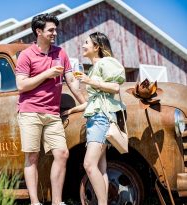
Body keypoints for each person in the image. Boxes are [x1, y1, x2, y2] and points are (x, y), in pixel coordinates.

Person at [15, 13, 85, 205]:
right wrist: (46, 74)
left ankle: (57, 202)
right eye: (51, 30)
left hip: (53, 114)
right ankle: (35, 202)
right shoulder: (26, 55)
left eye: (55, 29)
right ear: (39, 31)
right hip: (30, 111)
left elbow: (71, 80)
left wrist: (84, 103)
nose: (55, 33)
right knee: (32, 156)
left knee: (62, 154)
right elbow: (21, 85)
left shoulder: (60, 53)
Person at [62, 32, 125, 205]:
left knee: (89, 165)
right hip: (95, 117)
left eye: (86, 43)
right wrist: (72, 110)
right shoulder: (94, 68)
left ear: (97, 47)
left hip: (101, 119)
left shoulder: (105, 62)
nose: (83, 45)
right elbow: (93, 101)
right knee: (100, 168)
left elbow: (115, 87)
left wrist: (89, 81)